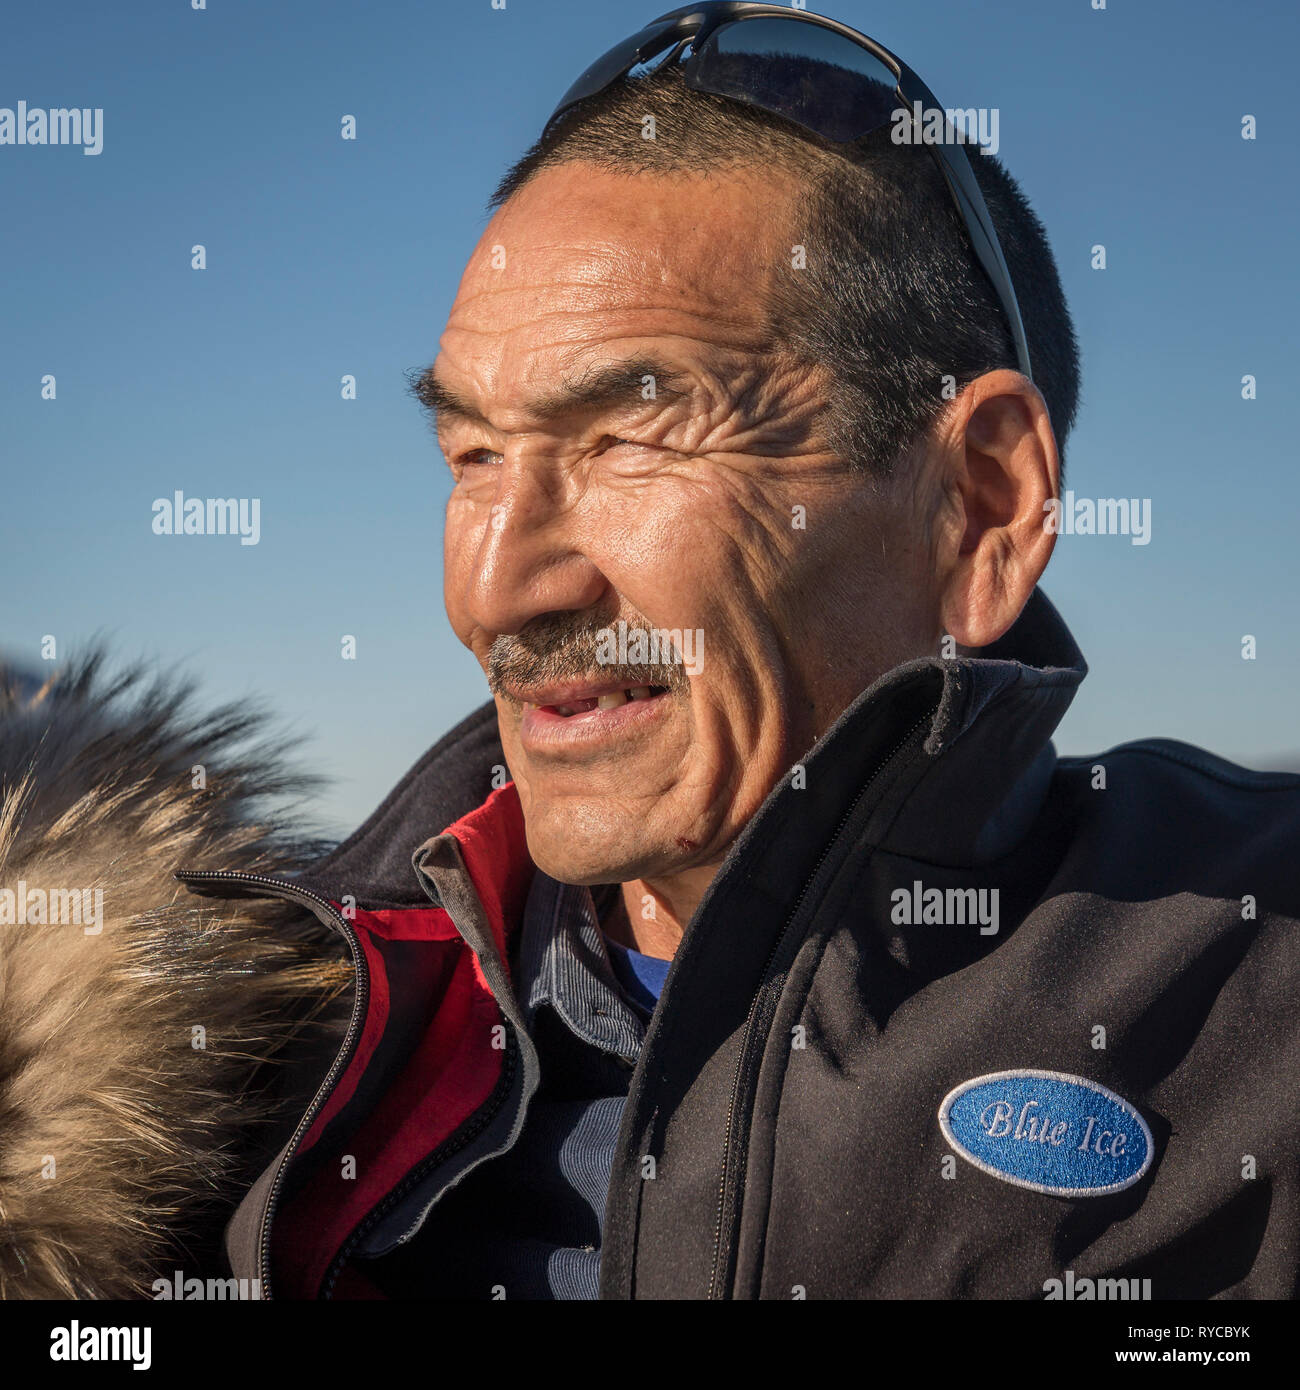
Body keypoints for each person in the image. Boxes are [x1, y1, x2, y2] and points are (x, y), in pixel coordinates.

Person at [3, 3, 1296, 1301]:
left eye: (629, 438)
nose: (496, 588)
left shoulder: (1258, 1002)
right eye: (474, 455)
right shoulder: (228, 1071)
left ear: (980, 507)